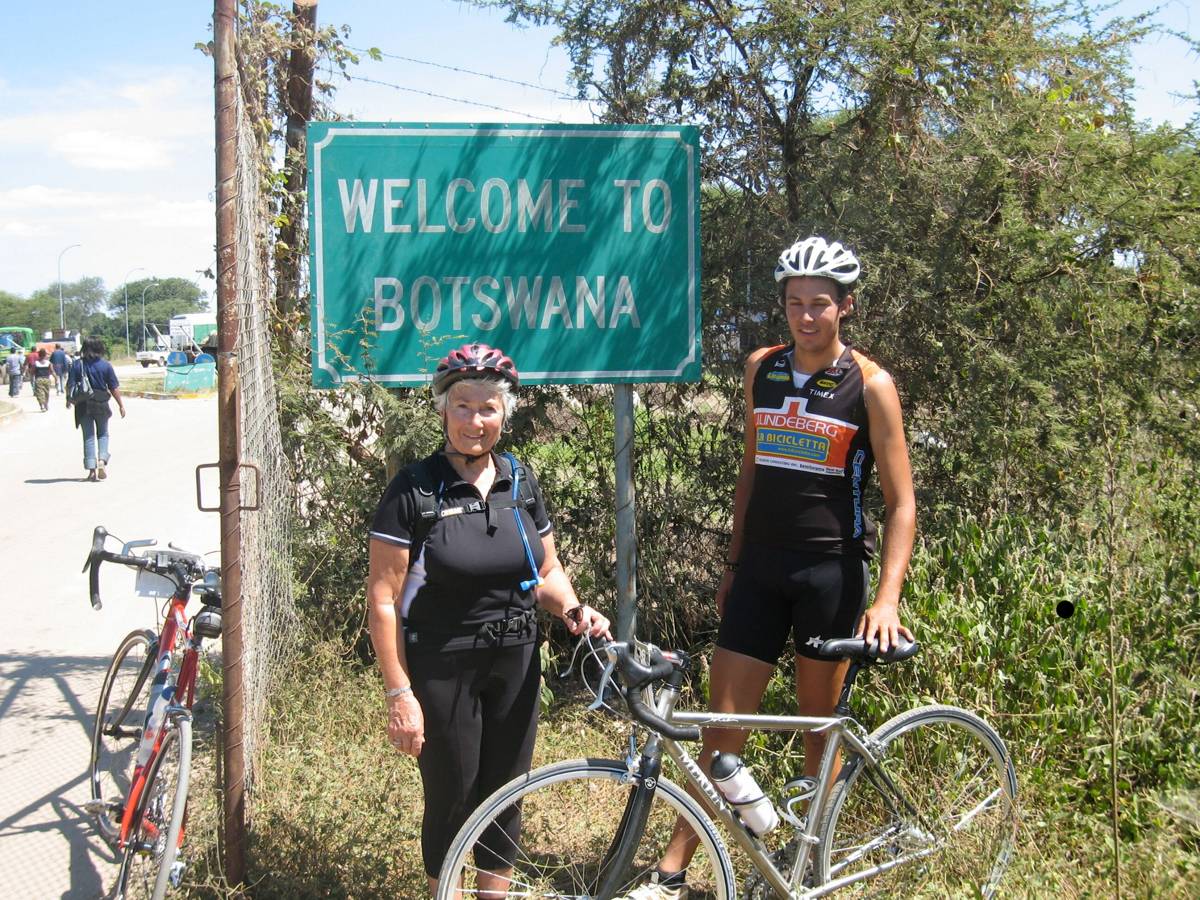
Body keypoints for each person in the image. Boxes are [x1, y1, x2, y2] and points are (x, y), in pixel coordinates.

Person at [627, 237, 918, 900]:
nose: (806, 316)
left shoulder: (870, 385)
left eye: (820, 304)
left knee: (818, 727)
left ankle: (814, 866)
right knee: (724, 723)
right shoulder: (763, 367)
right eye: (795, 304)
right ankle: (672, 871)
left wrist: (888, 600)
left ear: (845, 307)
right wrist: (733, 562)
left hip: (830, 573)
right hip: (760, 567)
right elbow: (750, 474)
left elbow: (902, 505)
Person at [366, 342, 611, 897]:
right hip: (442, 661)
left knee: (506, 794)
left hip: (517, 658)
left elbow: (545, 569)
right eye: (462, 406)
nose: (475, 421)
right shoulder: (414, 490)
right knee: (453, 796)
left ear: (505, 413)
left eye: (488, 408)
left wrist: (573, 608)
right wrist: (399, 693)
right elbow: (384, 600)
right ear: (441, 409)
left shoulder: (519, 481)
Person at [66, 336, 126, 481]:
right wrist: (121, 405)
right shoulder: (105, 365)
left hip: (82, 404)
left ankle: (92, 471)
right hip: (101, 403)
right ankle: (102, 460)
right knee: (103, 434)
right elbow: (113, 387)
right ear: (99, 347)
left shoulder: (77, 364)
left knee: (88, 437)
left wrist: (68, 400)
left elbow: (70, 385)